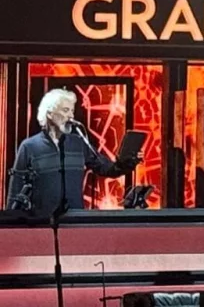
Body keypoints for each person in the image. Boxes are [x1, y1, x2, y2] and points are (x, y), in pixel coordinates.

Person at [6, 89, 138, 215]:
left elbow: (107, 169)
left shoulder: (78, 143)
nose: (71, 116)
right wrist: (11, 221)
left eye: (72, 111)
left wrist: (128, 161)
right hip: (42, 221)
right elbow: (16, 188)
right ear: (49, 114)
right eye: (65, 110)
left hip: (74, 219)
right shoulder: (29, 146)